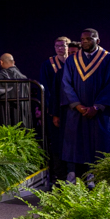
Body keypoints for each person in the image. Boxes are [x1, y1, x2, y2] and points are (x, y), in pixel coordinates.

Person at [60, 29, 110, 181]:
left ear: (97, 41)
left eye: (88, 39)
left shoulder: (109, 59)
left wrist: (97, 107)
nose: (85, 42)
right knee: (77, 145)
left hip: (100, 112)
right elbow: (66, 84)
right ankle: (76, 178)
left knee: (100, 145)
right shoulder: (72, 60)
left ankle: (98, 178)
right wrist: (77, 105)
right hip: (78, 112)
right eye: (82, 39)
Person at [39, 37, 70, 181]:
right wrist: (50, 109)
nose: (60, 48)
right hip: (55, 108)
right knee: (56, 141)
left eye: (63, 46)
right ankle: (59, 174)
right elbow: (45, 87)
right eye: (57, 46)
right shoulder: (48, 64)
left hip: (72, 107)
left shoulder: (74, 63)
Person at [0, 53, 32, 128]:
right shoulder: (24, 77)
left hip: (10, 115)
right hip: (23, 114)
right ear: (14, 62)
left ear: (1, 62)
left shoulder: (6, 74)